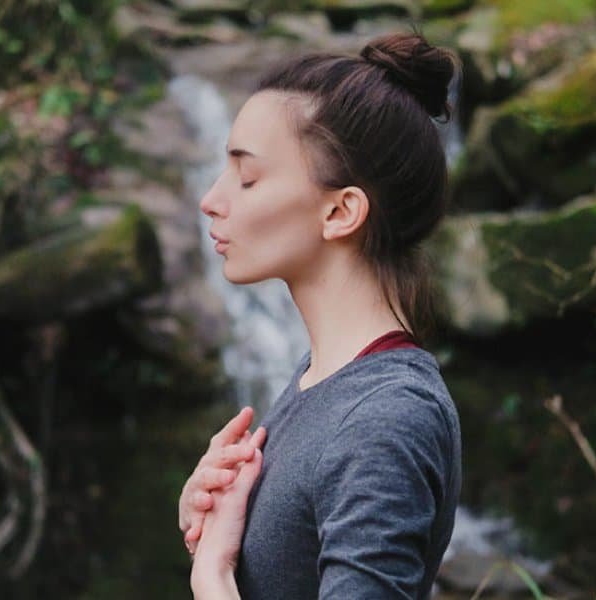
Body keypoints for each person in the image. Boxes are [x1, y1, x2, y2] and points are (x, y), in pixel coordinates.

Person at [178, 29, 463, 600]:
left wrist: (212, 577)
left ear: (340, 211)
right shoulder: (325, 381)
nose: (211, 199)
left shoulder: (385, 418)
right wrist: (214, 525)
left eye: (248, 176)